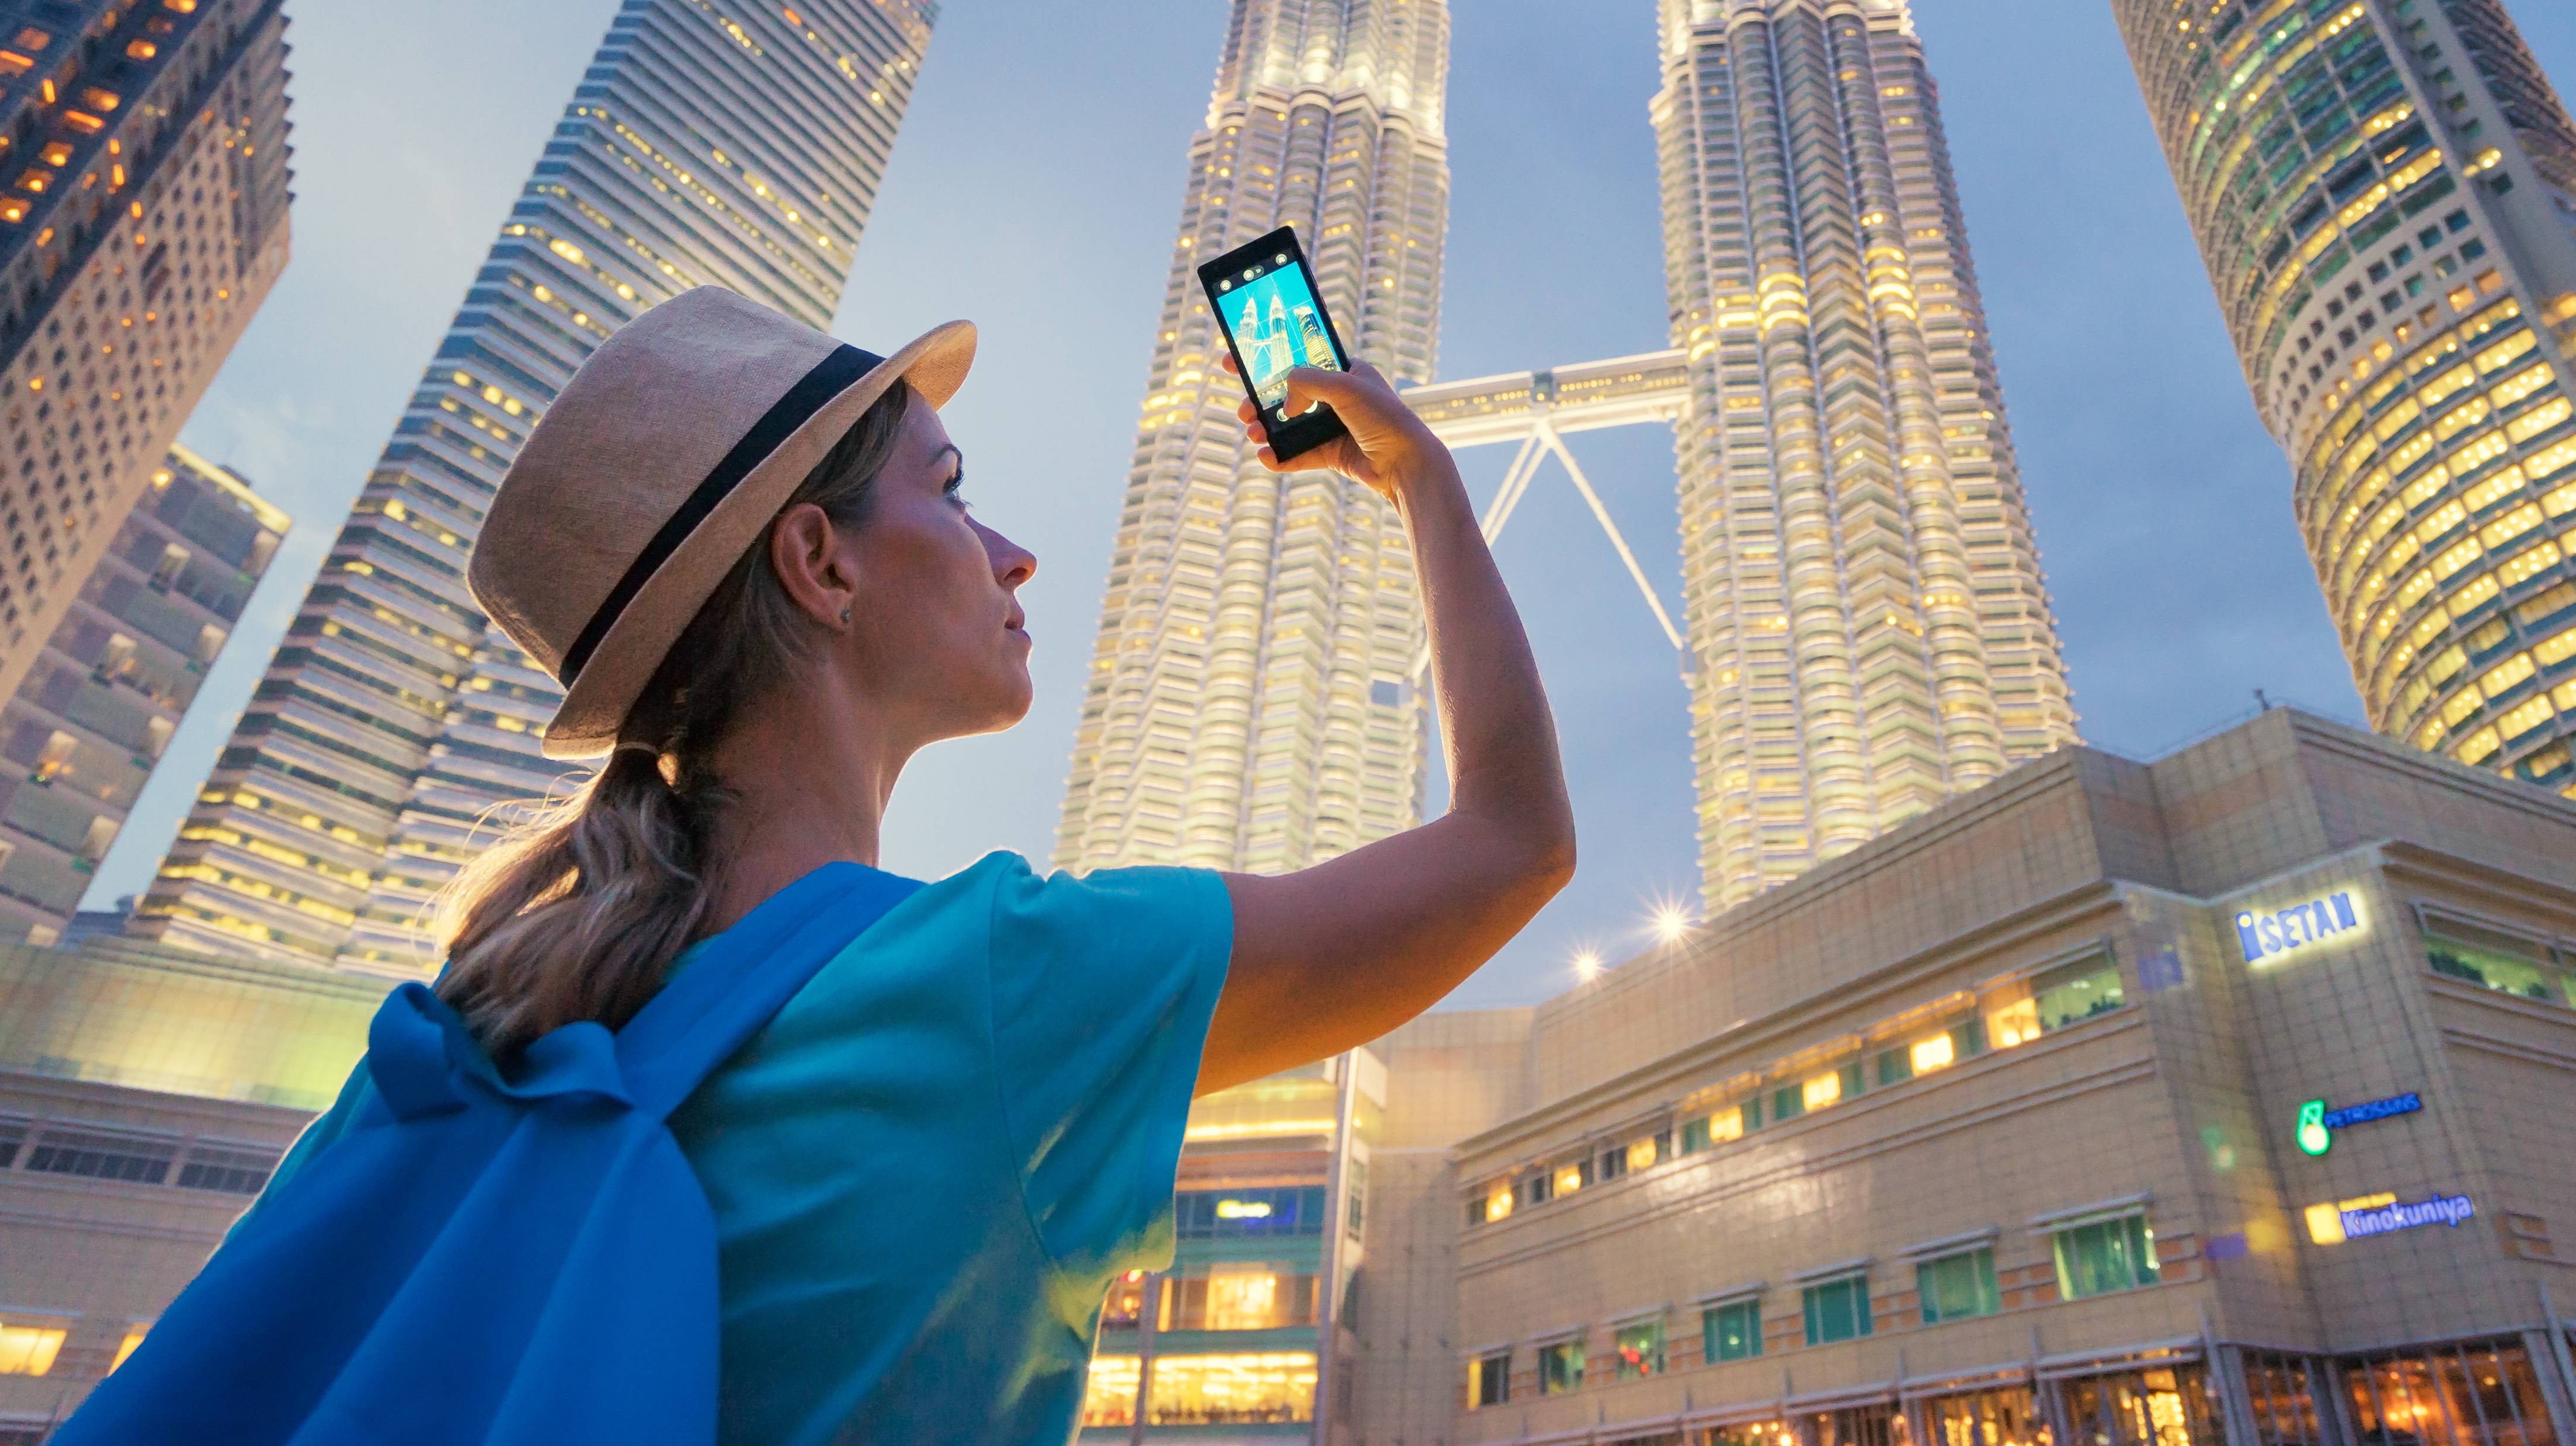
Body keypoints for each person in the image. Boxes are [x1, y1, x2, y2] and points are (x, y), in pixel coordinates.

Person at [85, 285, 1572, 1445]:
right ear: (821, 561)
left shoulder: (473, 1035)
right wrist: (1422, 479)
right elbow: (1514, 840)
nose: (1011, 552)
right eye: (952, 488)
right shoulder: (994, 983)